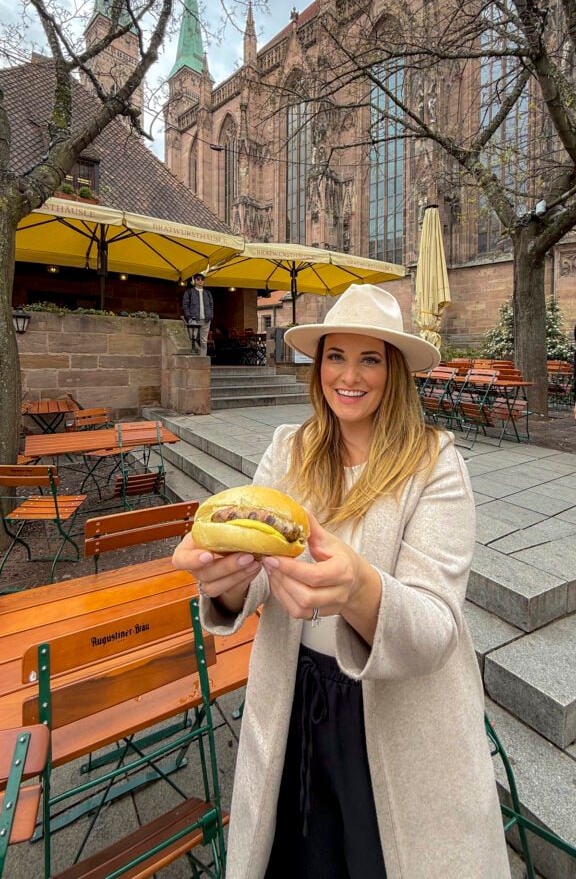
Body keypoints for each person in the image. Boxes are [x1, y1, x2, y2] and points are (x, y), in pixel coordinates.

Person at [172, 284, 511, 879]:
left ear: (395, 371)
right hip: (294, 696)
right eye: (336, 356)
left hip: (397, 715)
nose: (349, 376)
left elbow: (436, 628)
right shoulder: (289, 450)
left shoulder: (436, 464)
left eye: (369, 359)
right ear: (319, 365)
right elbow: (251, 578)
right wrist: (222, 579)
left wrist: (359, 589)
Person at [182, 272, 214, 356]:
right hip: (193, 319)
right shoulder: (189, 292)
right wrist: (189, 317)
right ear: (194, 281)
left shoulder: (208, 293)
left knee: (204, 341)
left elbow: (211, 305)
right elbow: (185, 305)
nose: (200, 281)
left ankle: (203, 358)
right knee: (192, 339)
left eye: (202, 279)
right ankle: (194, 358)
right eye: (198, 279)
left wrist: (210, 315)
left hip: (206, 320)